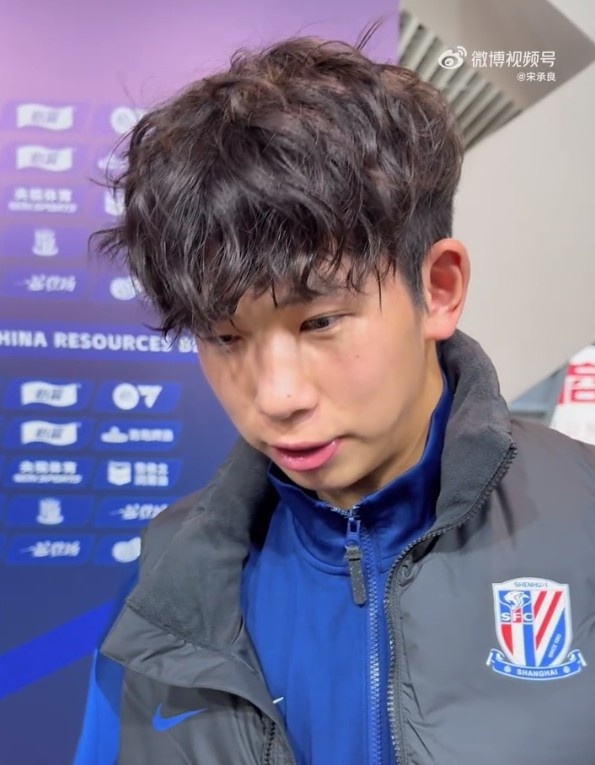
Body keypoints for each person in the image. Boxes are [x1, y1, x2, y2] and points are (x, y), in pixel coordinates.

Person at [74, 30, 595, 765]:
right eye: (223, 336)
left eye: (319, 322)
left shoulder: (584, 518)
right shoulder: (167, 580)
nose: (276, 397)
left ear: (438, 288)